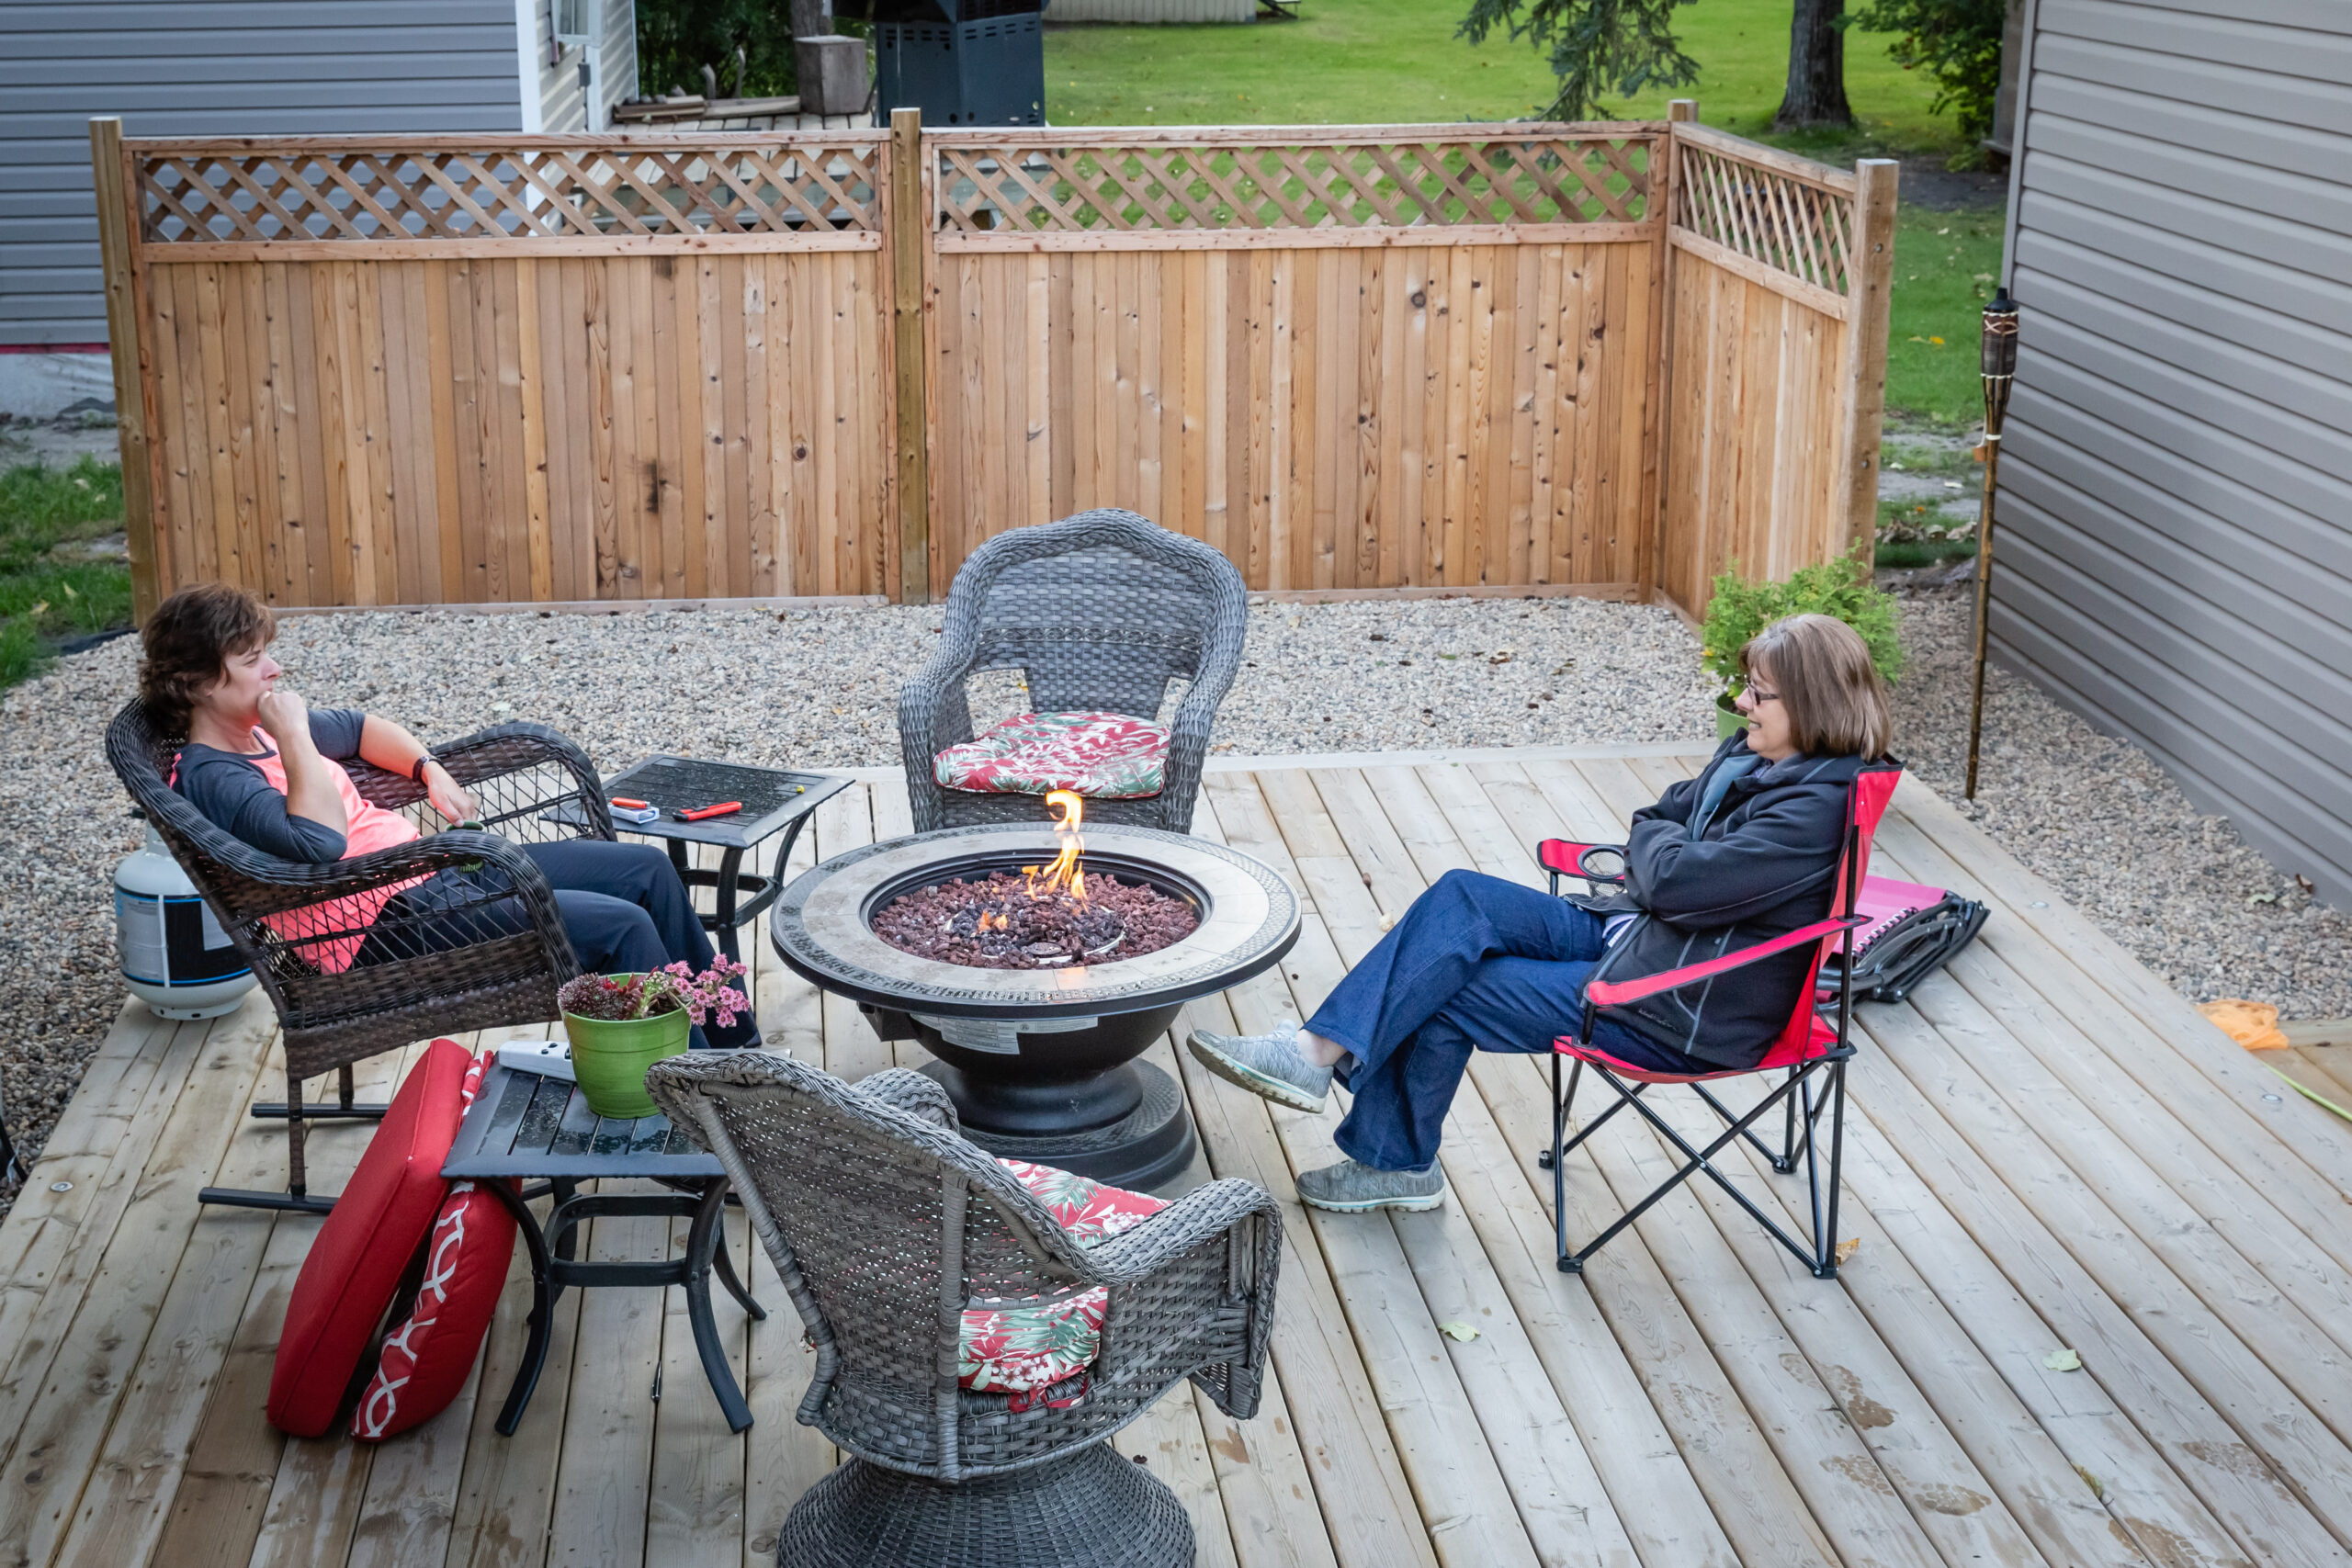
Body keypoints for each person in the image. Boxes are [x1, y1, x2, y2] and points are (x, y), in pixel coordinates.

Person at [1189, 613, 1894, 1213]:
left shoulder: (1813, 806)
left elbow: (1671, 869)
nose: (1742, 703)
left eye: (1761, 694)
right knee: (1462, 897)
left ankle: (1387, 1154)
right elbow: (1657, 821)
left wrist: (1659, 856)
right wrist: (1660, 856)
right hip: (1643, 933)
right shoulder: (1755, 759)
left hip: (1676, 999)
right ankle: (1322, 1062)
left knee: (1447, 985)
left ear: (1811, 701)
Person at [141, 582, 760, 1051]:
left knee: (646, 870)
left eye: (266, 653)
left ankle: (740, 1057)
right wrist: (296, 737)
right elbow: (320, 841)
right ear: (196, 683)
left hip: (434, 877)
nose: (273, 670)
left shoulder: (259, 728)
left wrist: (427, 769)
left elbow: (360, 729)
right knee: (622, 928)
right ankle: (694, 1105)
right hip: (382, 924)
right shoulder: (215, 773)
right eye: (251, 661)